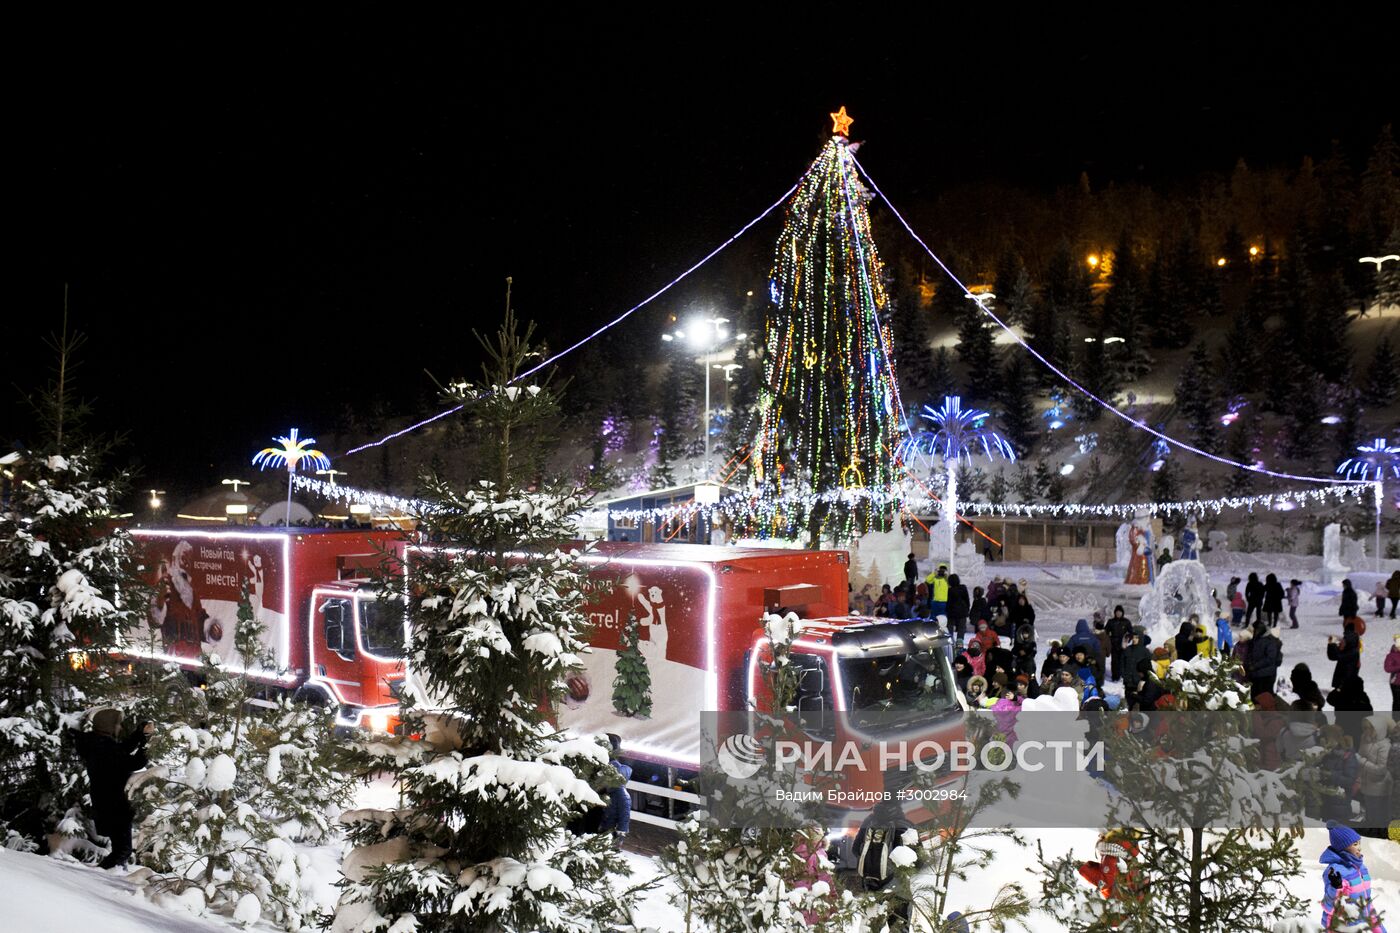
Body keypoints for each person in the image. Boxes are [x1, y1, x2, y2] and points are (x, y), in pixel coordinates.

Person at [73, 708, 152, 869]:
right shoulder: (105, 749)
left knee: (121, 849)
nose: (120, 728)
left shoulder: (97, 743)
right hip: (113, 805)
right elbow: (134, 762)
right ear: (109, 727)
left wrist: (139, 734)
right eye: (118, 724)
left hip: (105, 802)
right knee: (123, 850)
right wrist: (146, 744)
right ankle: (100, 877)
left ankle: (105, 874)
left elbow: (122, 750)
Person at [1319, 822, 1387, 931]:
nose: (1359, 848)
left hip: (1359, 928)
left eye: (1359, 843)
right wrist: (1336, 887)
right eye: (1355, 844)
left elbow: (1367, 906)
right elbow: (1329, 907)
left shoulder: (1361, 868)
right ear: (1343, 847)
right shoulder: (1335, 871)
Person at [1356, 718, 1392, 832]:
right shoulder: (1365, 739)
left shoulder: (1385, 746)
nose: (1366, 731)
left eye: (1369, 728)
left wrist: (1362, 761)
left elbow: (1381, 769)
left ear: (1377, 729)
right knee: (1370, 816)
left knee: (1379, 819)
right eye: (1364, 728)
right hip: (1366, 784)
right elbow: (1360, 756)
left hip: (1379, 786)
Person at [598, 734, 632, 849]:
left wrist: (620, 835)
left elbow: (624, 816)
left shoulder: (619, 793)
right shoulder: (612, 791)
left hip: (608, 830)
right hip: (603, 827)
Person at [1245, 621, 1282, 699]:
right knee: (1256, 697)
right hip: (1256, 674)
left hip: (1266, 675)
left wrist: (1255, 666)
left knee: (1264, 698)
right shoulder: (1255, 640)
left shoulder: (1269, 642)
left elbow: (1270, 658)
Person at [1327, 622, 1362, 689]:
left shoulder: (1349, 648)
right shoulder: (1354, 644)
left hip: (1343, 685)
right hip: (1346, 682)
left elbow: (1334, 656)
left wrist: (1332, 644)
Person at [1106, 605, 1132, 683]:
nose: (1118, 614)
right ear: (1115, 613)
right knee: (1114, 661)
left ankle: (1122, 676)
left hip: (1122, 644)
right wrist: (1109, 640)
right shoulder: (1111, 621)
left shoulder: (1126, 621)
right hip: (1113, 644)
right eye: (1117, 612)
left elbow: (1131, 632)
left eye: (1120, 612)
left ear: (1122, 613)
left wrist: (1128, 638)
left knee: (1122, 660)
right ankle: (1115, 676)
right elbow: (1105, 632)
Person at [946, 573, 970, 640]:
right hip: (962, 612)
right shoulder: (963, 588)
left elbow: (949, 603)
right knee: (961, 630)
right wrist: (967, 609)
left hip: (952, 612)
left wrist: (947, 611)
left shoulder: (950, 590)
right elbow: (967, 600)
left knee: (950, 628)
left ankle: (951, 644)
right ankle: (959, 646)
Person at [1385, 633, 1400, 717]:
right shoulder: (1391, 655)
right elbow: (1387, 668)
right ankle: (1396, 721)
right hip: (1396, 683)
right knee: (1397, 702)